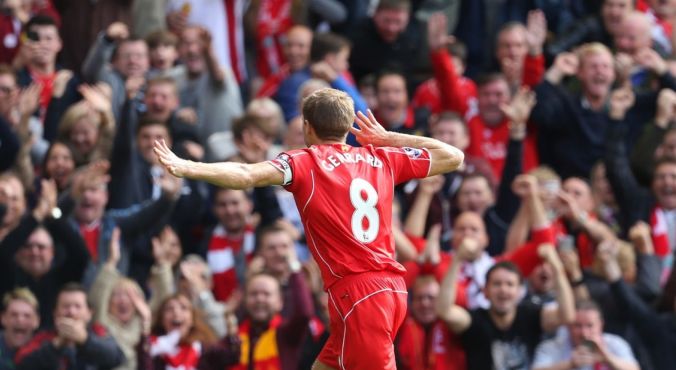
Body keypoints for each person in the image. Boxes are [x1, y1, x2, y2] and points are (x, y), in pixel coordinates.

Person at [153, 87, 464, 369]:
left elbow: (246, 174)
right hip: (386, 289)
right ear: (346, 127)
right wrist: (389, 138)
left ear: (307, 127)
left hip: (358, 294)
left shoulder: (305, 162)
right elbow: (453, 156)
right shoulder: (379, 157)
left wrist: (189, 167)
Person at [14, 283, 125, 370]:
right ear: (55, 313)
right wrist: (56, 345)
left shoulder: (98, 332)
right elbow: (21, 363)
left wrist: (85, 340)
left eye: (77, 306)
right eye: (66, 306)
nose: (71, 312)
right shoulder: (44, 337)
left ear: (89, 313)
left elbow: (117, 357)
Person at [532, 300, 639, 370]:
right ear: (568, 326)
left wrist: (607, 359)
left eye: (590, 326)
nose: (584, 333)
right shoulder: (552, 347)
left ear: (600, 325)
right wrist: (570, 364)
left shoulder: (615, 343)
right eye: (578, 326)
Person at [0, 288, 40, 370]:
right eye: (14, 314)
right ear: (3, 318)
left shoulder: (45, 350)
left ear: (37, 321)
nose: (20, 320)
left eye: (27, 316)